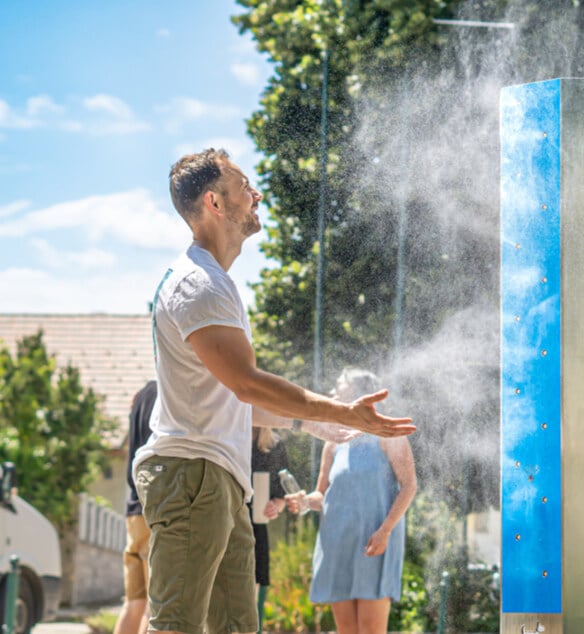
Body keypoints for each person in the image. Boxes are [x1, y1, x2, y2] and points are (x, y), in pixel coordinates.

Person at [132, 148, 415, 634]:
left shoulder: (215, 283)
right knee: (177, 625)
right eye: (244, 187)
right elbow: (248, 382)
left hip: (217, 477)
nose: (256, 194)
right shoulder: (199, 285)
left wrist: (310, 423)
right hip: (191, 474)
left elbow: (235, 399)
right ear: (214, 202)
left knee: (237, 626)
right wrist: (341, 412)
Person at [286, 369, 418, 634]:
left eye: (339, 385)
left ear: (358, 392)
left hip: (375, 541)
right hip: (338, 542)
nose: (332, 391)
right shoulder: (333, 441)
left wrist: (385, 531)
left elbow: (409, 486)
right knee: (346, 629)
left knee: (370, 630)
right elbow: (322, 495)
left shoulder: (388, 434)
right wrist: (305, 500)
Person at [113, 380, 158, 634]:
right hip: (154, 509)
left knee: (133, 603)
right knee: (155, 606)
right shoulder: (169, 392)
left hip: (133, 511)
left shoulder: (141, 395)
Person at [248, 427, 289, 633]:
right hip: (225, 523)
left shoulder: (274, 445)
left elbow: (281, 496)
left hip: (256, 528)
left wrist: (275, 507)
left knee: (253, 592)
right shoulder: (228, 434)